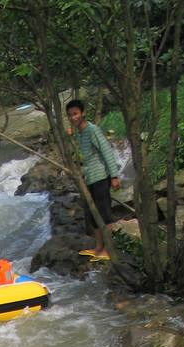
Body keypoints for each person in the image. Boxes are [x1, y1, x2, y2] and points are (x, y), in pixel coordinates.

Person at [65, 99, 121, 259]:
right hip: (89, 179)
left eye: (75, 114)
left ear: (82, 113)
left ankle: (108, 250)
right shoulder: (79, 132)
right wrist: (69, 136)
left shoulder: (92, 130)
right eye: (70, 115)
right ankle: (98, 247)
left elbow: (106, 151)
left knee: (104, 214)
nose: (73, 117)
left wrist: (114, 176)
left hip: (101, 177)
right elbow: (79, 148)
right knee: (92, 214)